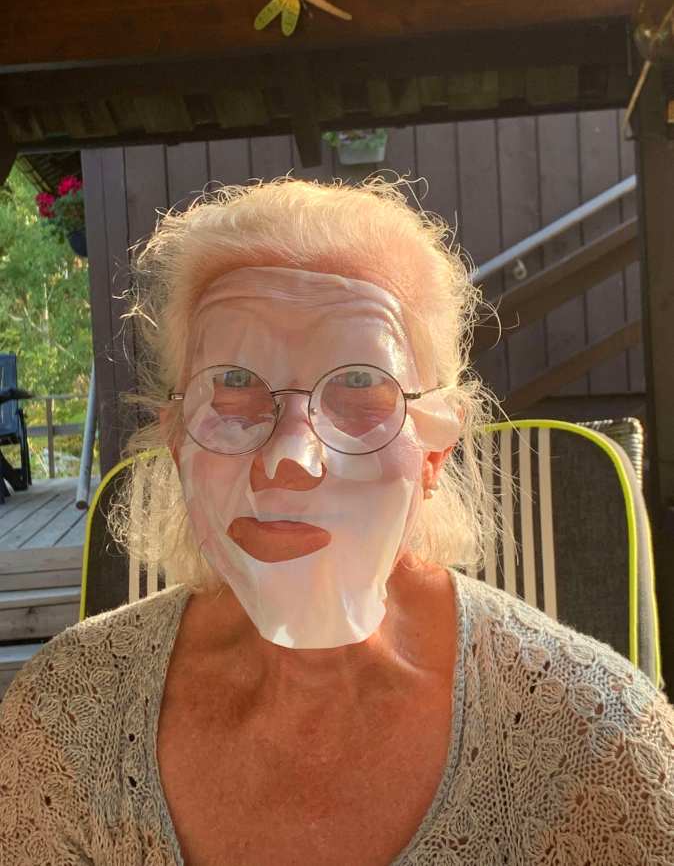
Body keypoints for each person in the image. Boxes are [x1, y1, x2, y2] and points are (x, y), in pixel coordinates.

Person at [1, 176, 673, 865]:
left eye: (358, 383)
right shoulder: (62, 720)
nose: (289, 460)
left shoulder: (597, 751)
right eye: (235, 382)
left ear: (435, 450)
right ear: (177, 442)